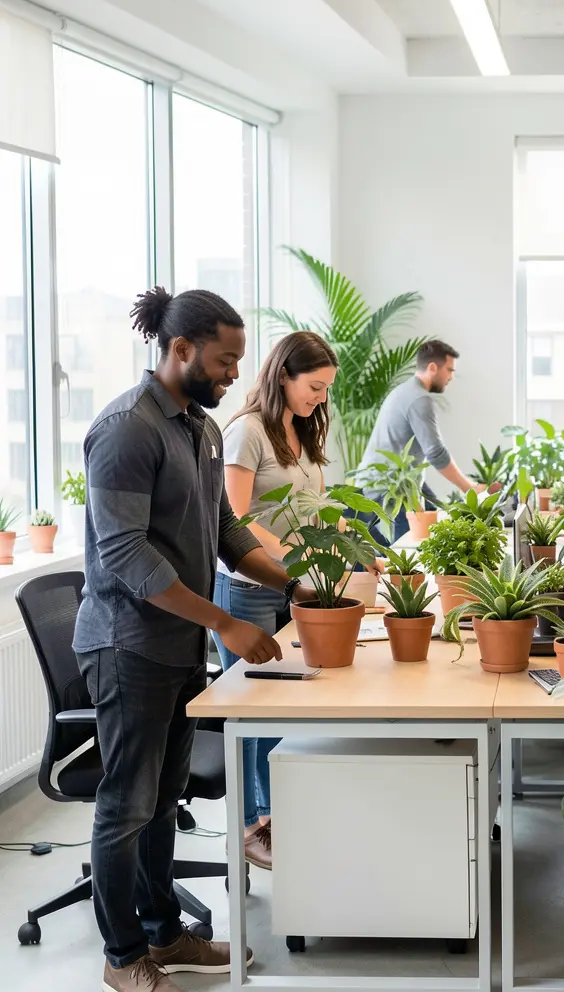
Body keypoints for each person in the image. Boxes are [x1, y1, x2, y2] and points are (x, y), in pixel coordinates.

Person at [73, 287, 317, 992]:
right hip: (126, 645)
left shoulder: (200, 429)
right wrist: (226, 623)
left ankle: (164, 934)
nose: (235, 373)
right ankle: (123, 959)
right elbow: (126, 555)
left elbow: (227, 533)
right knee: (127, 804)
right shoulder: (126, 429)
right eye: (225, 359)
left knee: (164, 796)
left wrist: (292, 587)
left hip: (178, 642)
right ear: (180, 351)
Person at [211, 331, 338, 872]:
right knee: (249, 714)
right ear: (282, 374)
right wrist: (290, 552)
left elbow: (316, 507)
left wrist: (342, 552)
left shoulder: (302, 431)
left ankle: (269, 814)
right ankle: (246, 828)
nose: (321, 398)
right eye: (314, 386)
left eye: (327, 389)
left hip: (292, 585)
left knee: (280, 711)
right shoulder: (247, 433)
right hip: (247, 587)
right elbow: (232, 520)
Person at [356, 339, 483, 544]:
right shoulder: (419, 398)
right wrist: (470, 487)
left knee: (432, 519)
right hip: (391, 486)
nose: (451, 377)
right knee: (412, 549)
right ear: (432, 367)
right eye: (449, 370)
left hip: (394, 480)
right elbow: (435, 453)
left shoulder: (404, 391)